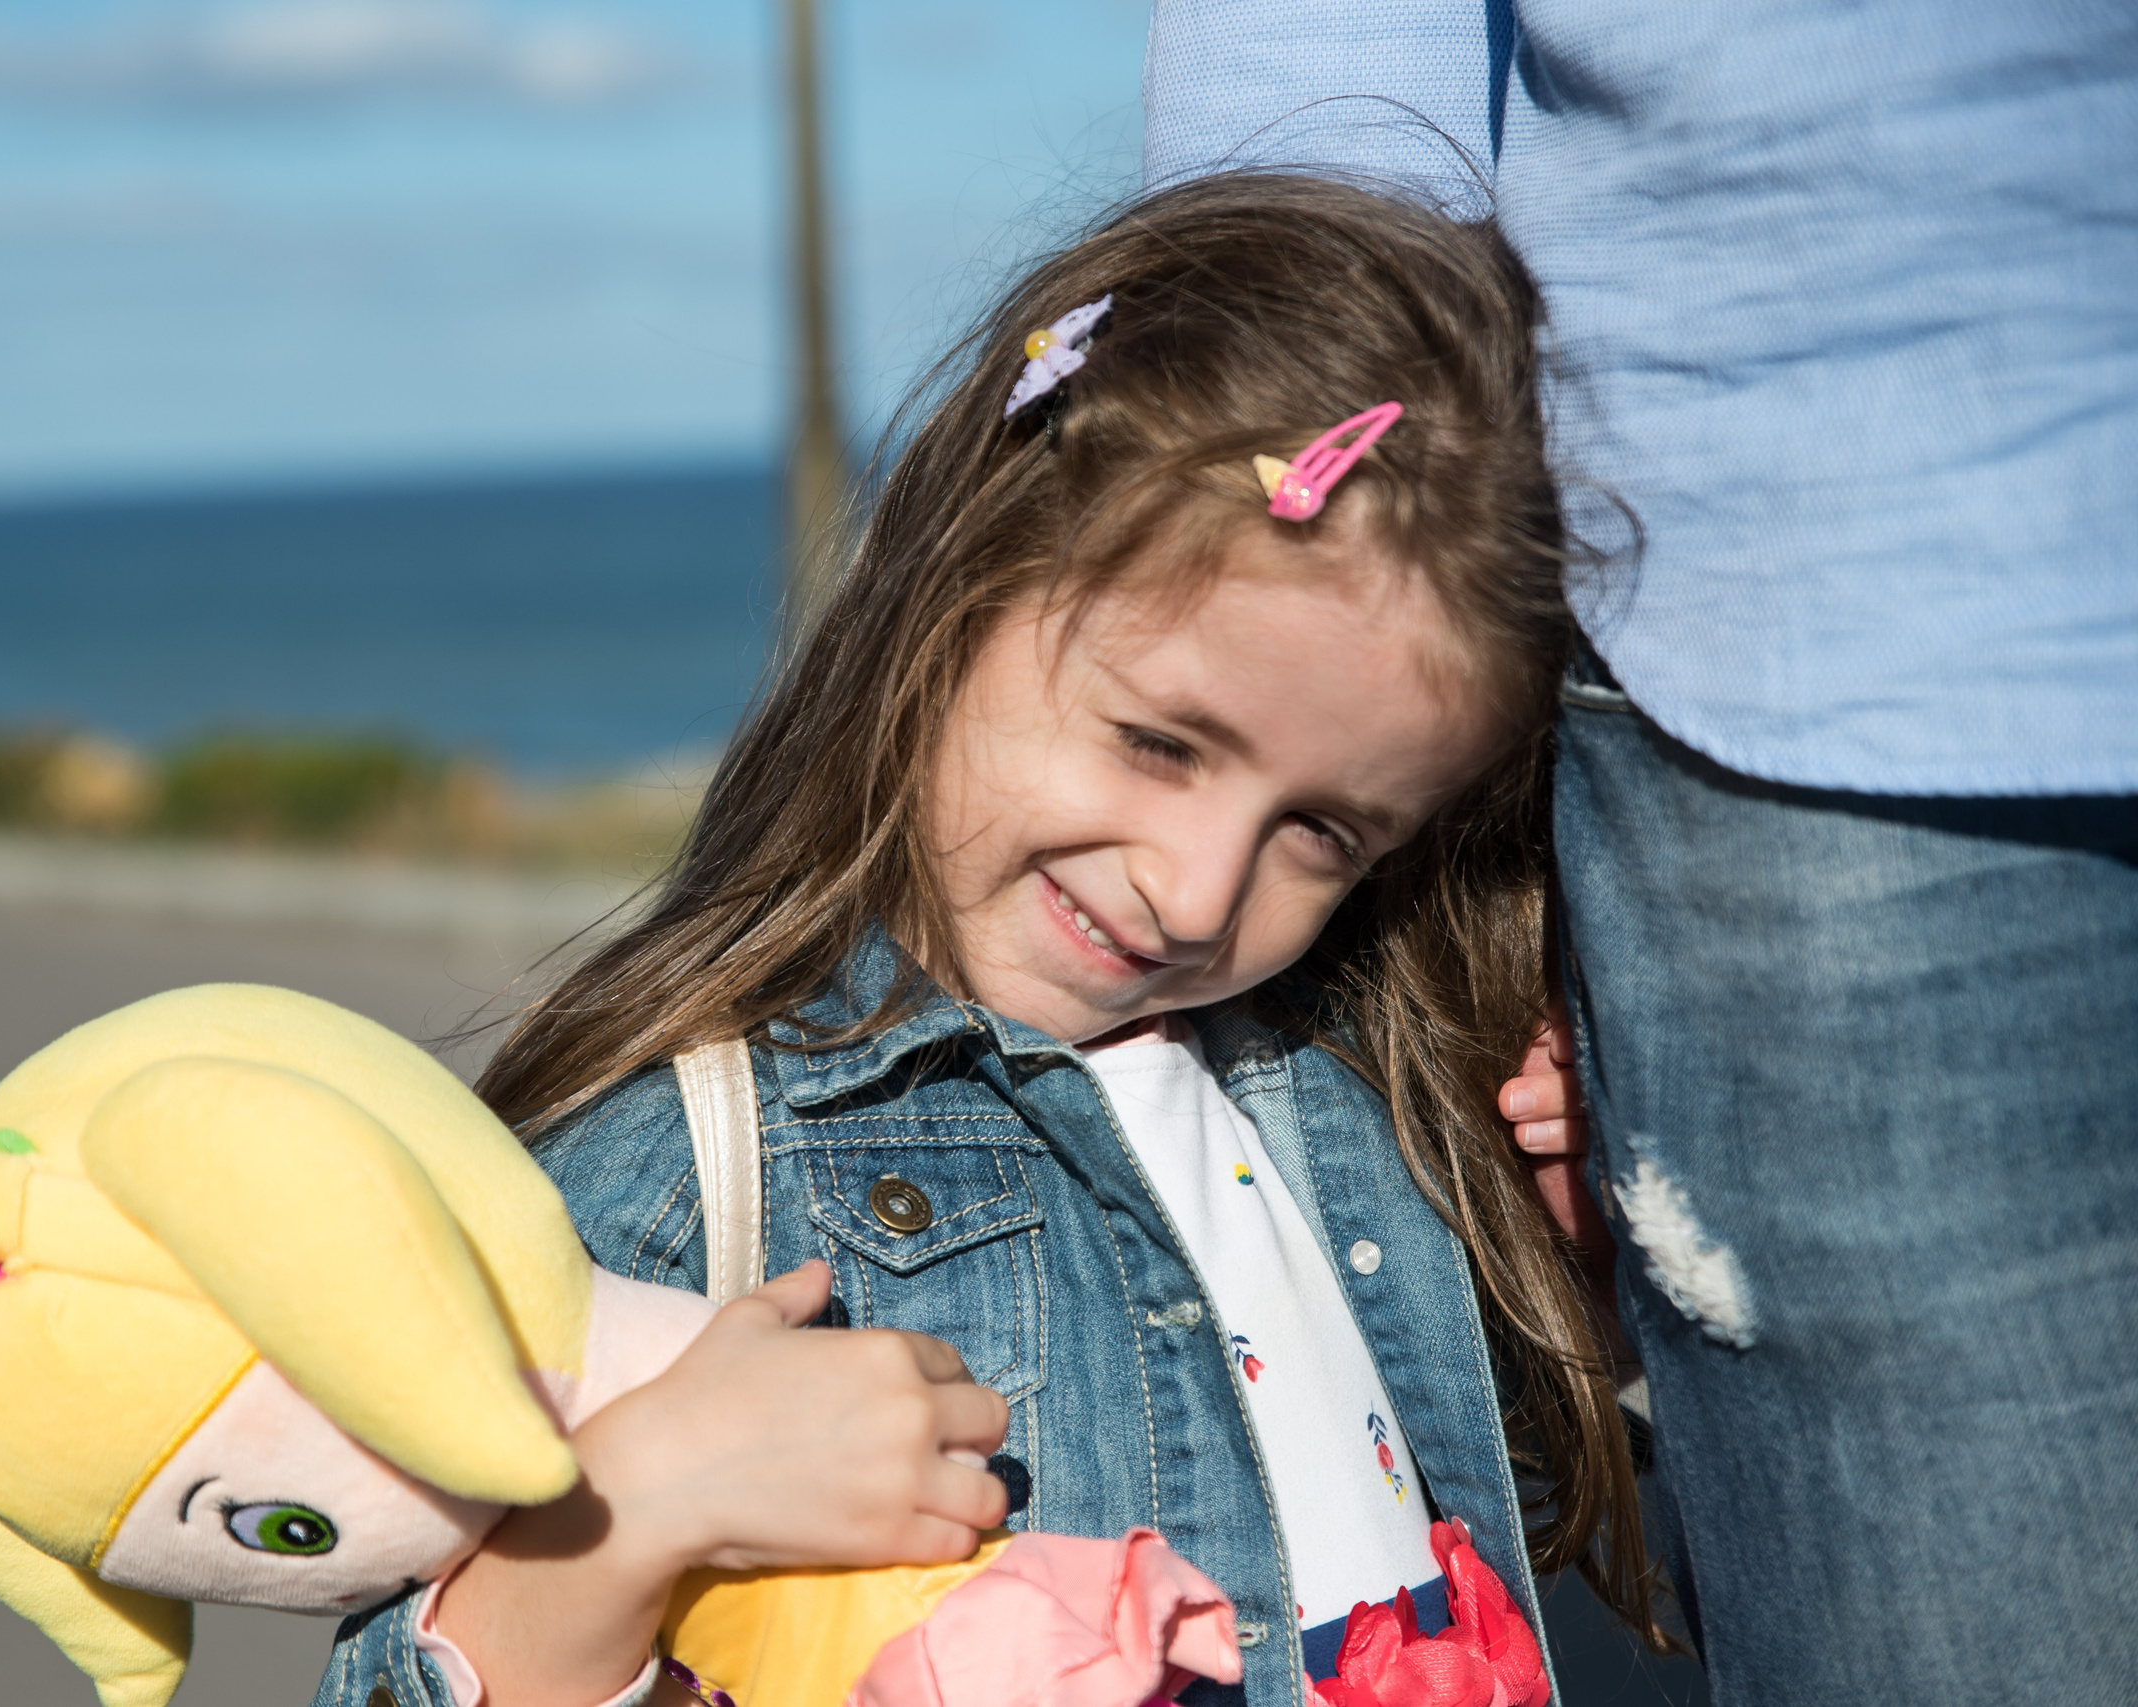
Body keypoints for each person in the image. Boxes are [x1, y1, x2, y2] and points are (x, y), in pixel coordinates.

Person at [312, 171, 1660, 1707]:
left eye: (1325, 832)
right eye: (1161, 741)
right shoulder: (689, 1169)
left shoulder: (1345, 1089)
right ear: (958, 579)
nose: (1200, 892)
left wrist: (1572, 1282)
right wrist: (643, 1504)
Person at [1142, 6, 2138, 1704]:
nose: (1186, 893)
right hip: (1836, 643)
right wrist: (1484, 905)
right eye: (1159, 746)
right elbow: (1318, 127)